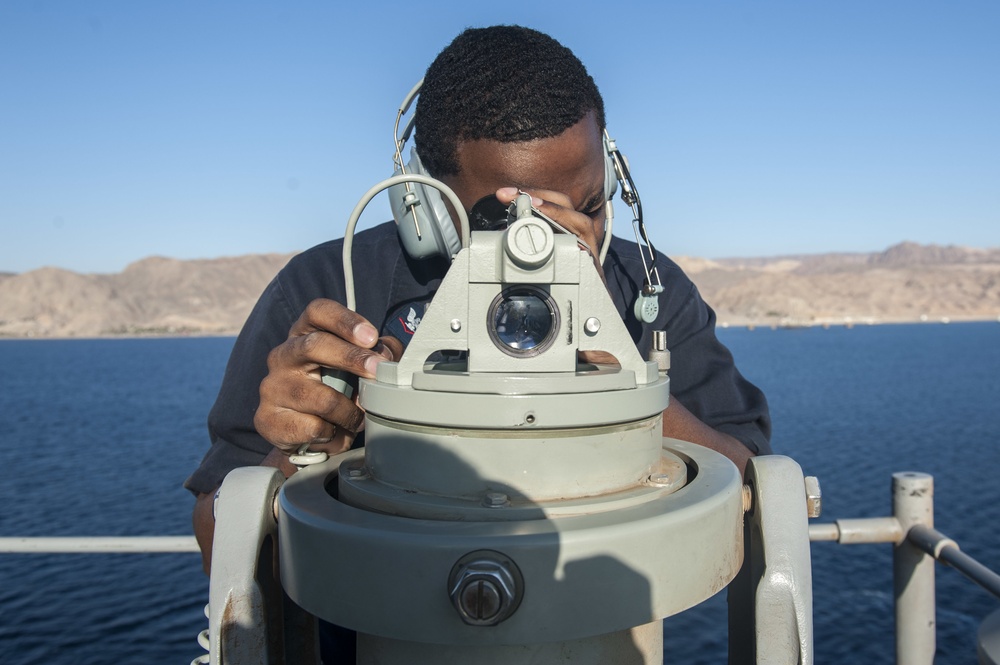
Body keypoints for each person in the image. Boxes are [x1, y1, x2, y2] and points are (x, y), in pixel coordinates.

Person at [185, 24, 770, 660]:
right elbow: (221, 541)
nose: (565, 241)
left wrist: (616, 378)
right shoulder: (334, 286)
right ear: (423, 204)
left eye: (591, 206)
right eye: (510, 219)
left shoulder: (646, 288)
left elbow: (748, 488)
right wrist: (307, 439)